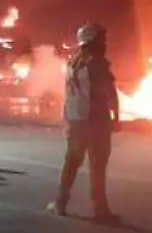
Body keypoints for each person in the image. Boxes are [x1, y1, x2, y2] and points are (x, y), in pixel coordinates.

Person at [51, 22, 119, 221]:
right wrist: (116, 115)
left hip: (76, 121)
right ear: (92, 41)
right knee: (98, 166)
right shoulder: (97, 63)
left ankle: (60, 203)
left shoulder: (73, 62)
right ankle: (100, 209)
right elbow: (108, 91)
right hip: (95, 121)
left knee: (71, 163)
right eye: (101, 39)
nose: (104, 42)